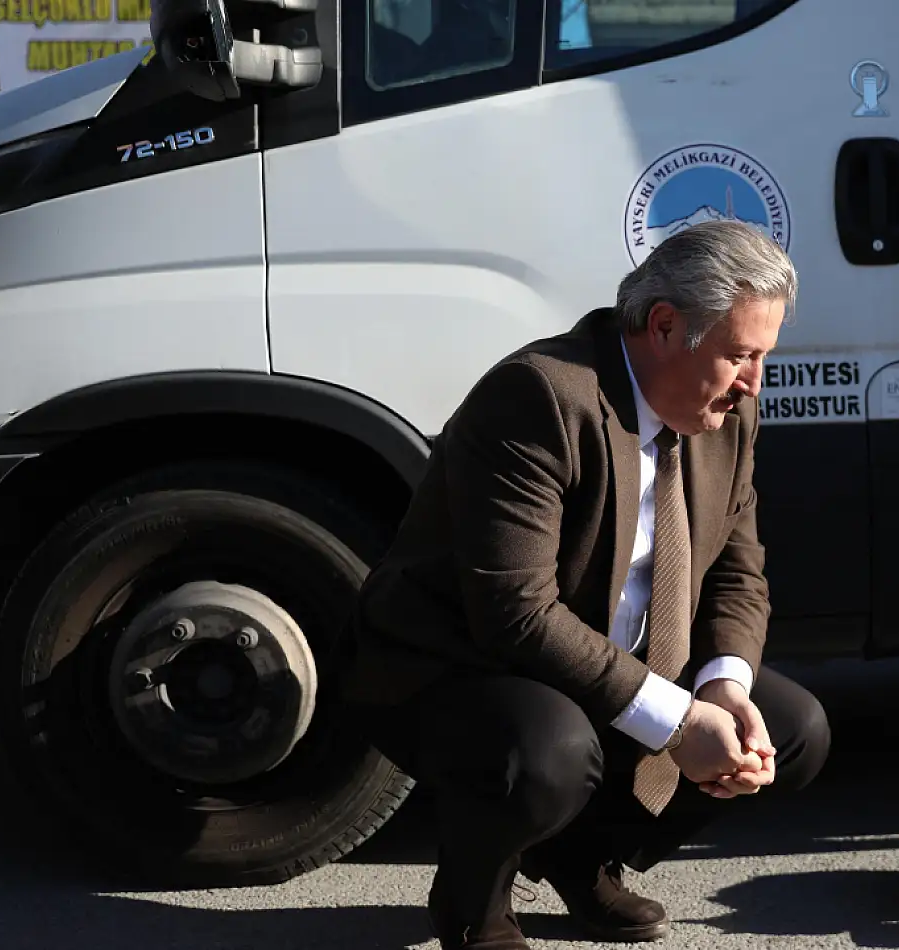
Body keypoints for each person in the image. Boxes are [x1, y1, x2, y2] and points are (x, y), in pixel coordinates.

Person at [339, 219, 832, 949]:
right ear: (665, 326)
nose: (755, 382)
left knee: (791, 731)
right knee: (551, 753)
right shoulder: (539, 396)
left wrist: (723, 691)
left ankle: (579, 857)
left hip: (606, 657)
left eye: (762, 356)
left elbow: (738, 572)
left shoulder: (732, 414)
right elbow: (516, 614)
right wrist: (680, 721)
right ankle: (475, 899)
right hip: (457, 665)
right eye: (739, 355)